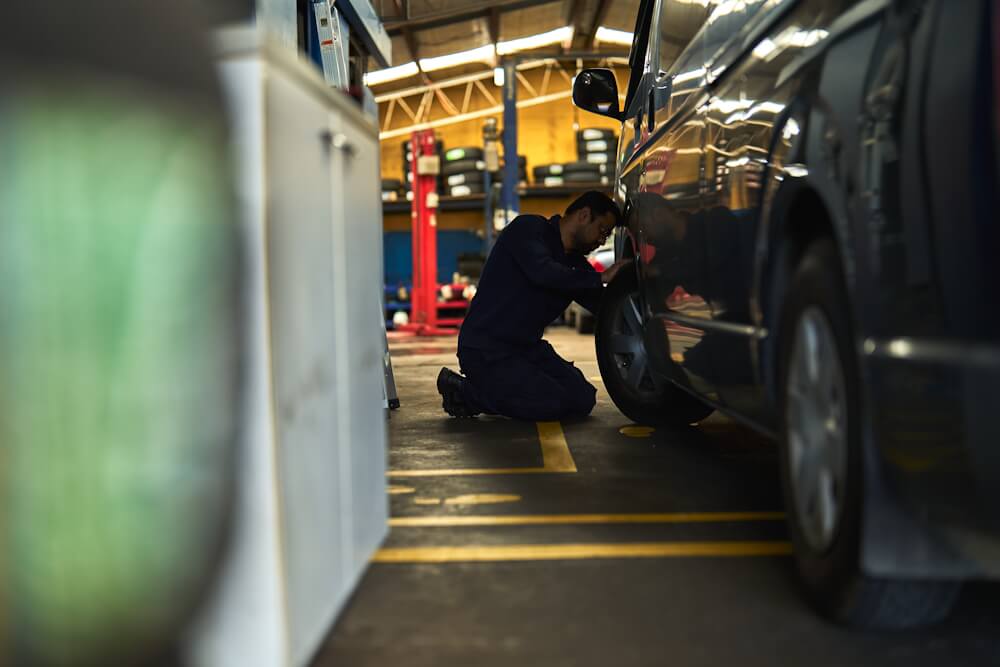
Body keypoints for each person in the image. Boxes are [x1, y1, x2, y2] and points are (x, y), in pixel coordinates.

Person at [437, 191, 629, 420]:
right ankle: (466, 393)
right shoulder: (528, 229)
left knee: (582, 398)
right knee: (551, 403)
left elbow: (603, 306)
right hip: (486, 348)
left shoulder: (575, 265)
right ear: (584, 215)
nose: (600, 241)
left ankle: (493, 392)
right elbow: (543, 272)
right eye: (602, 231)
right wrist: (600, 277)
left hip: (526, 349)